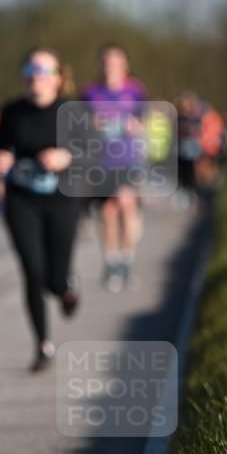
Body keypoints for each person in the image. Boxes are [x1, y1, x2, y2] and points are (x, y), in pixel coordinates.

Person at [0, 48, 80, 372]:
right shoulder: (12, 112)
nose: (36, 77)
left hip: (62, 200)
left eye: (43, 70)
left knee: (53, 280)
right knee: (32, 271)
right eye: (30, 70)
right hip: (21, 200)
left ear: (58, 77)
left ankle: (66, 287)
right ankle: (42, 345)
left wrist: (66, 157)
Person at [80, 44, 147, 292]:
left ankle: (127, 260)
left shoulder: (135, 90)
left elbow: (143, 121)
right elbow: (79, 124)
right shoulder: (89, 92)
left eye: (116, 61)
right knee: (108, 211)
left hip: (127, 158)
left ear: (125, 65)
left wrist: (134, 126)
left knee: (126, 203)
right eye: (107, 61)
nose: (111, 66)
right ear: (101, 65)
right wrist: (92, 124)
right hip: (101, 160)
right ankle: (112, 261)